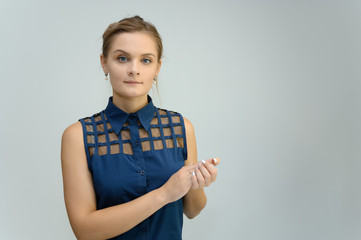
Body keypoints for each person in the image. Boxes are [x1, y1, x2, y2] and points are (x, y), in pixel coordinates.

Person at [61, 15, 220, 240]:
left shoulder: (181, 128)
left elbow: (193, 210)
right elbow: (85, 231)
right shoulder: (78, 136)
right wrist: (164, 194)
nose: (134, 69)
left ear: (157, 68)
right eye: (123, 58)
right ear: (104, 62)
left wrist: (198, 182)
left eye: (146, 60)